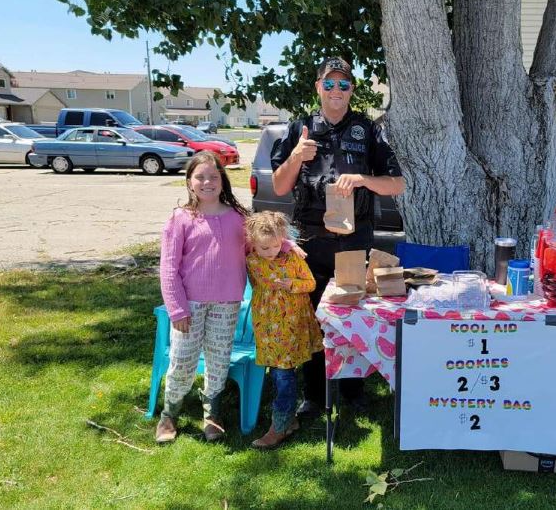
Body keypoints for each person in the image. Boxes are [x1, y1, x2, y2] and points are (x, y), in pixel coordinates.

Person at [270, 57, 404, 418]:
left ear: (352, 90)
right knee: (311, 314)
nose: (336, 91)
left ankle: (352, 389)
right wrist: (297, 156)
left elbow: (397, 183)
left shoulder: (367, 129)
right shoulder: (299, 128)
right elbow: (281, 185)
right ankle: (314, 392)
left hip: (353, 239)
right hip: (310, 240)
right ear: (318, 88)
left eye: (343, 84)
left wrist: (363, 180)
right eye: (329, 84)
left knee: (352, 312)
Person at [156, 151, 295, 444]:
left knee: (219, 360)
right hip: (189, 306)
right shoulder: (181, 219)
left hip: (228, 304)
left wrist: (288, 247)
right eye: (200, 177)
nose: (207, 182)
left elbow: (262, 241)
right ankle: (169, 415)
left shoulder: (238, 218)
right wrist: (177, 309)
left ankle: (212, 415)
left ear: (223, 181)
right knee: (182, 360)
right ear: (190, 182)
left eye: (213, 177)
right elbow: (168, 269)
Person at [244, 211, 321, 448]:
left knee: (283, 373)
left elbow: (311, 284)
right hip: (266, 325)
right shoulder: (251, 260)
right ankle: (288, 420)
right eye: (264, 248)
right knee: (278, 372)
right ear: (253, 243)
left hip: (292, 325)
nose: (270, 252)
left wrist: (292, 285)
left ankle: (280, 425)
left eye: (276, 246)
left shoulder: (293, 259)